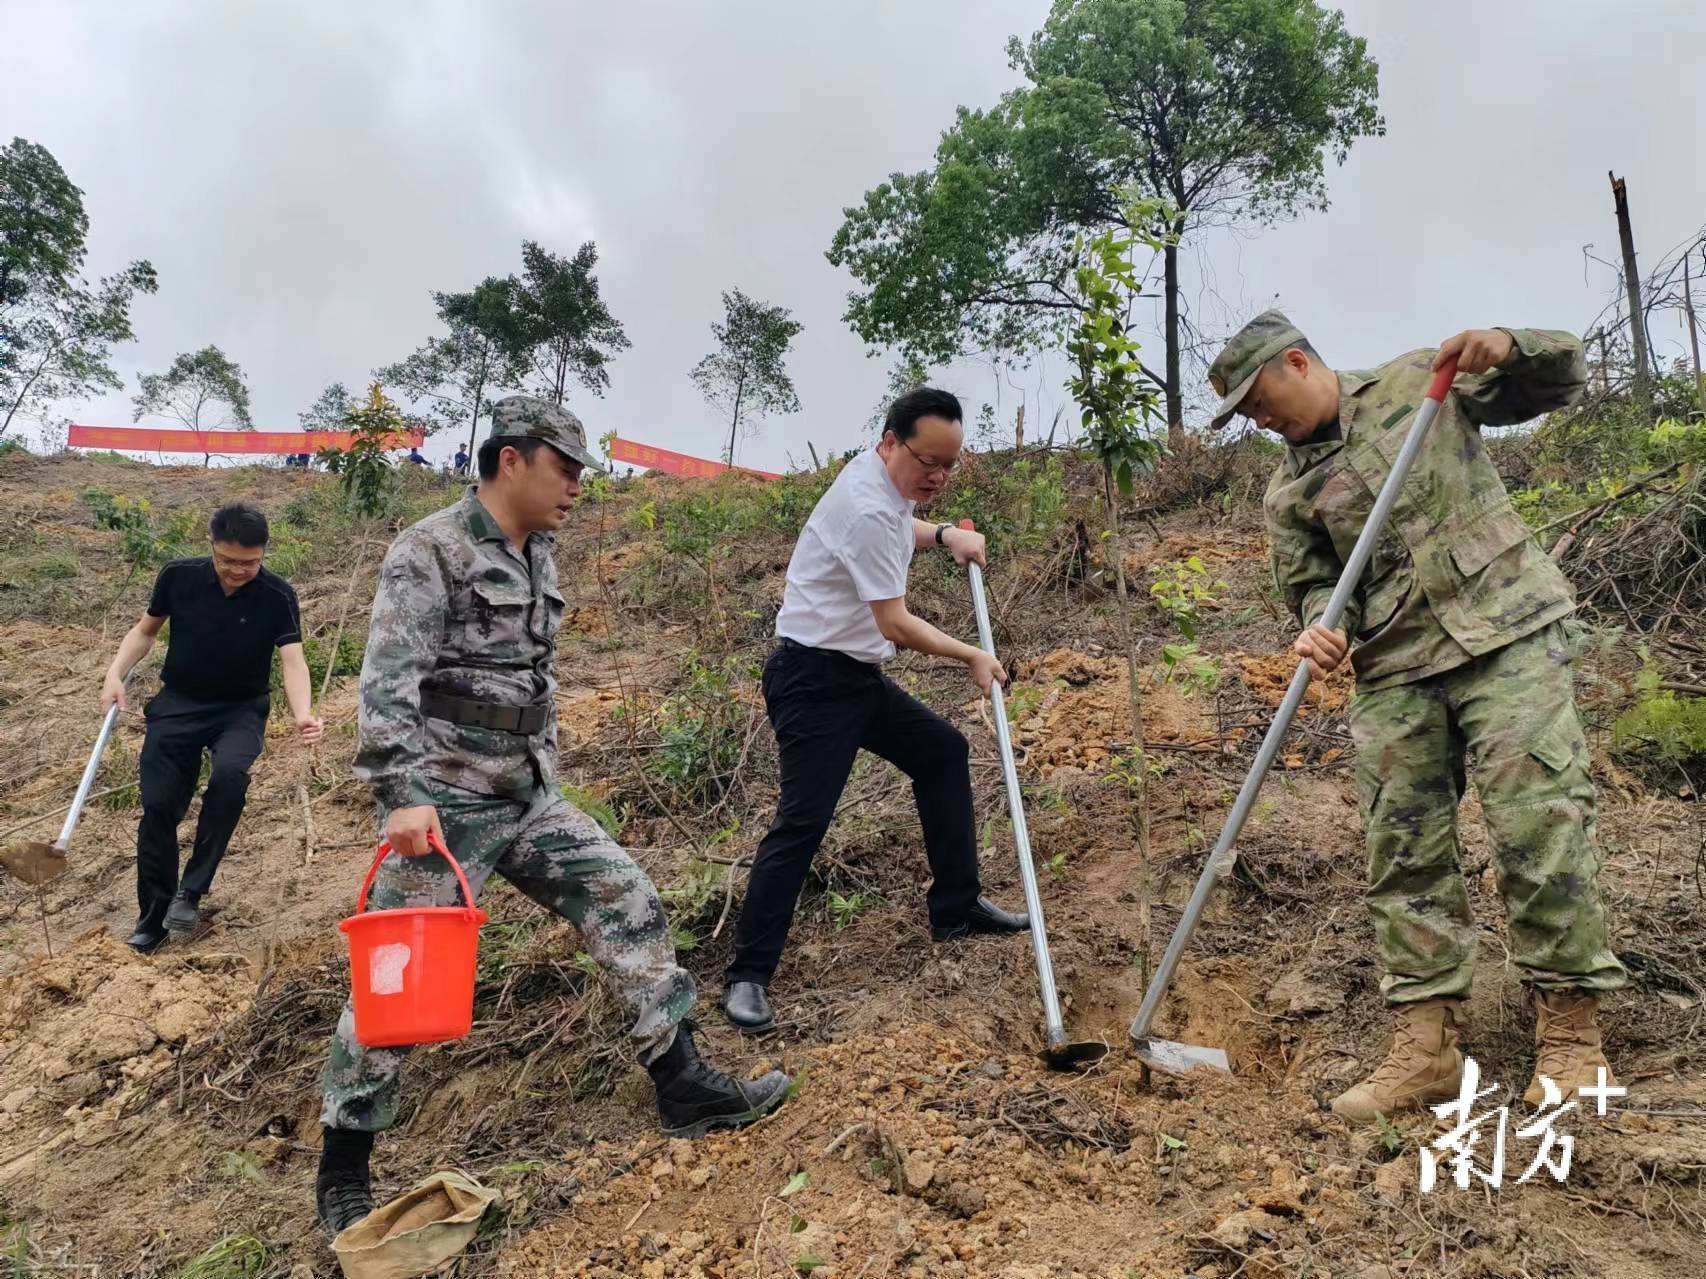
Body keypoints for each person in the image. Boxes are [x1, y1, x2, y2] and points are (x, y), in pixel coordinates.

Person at [314, 396, 791, 1235]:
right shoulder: (430, 548)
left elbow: (534, 676)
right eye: (564, 467)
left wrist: (546, 762)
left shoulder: (541, 552)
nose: (576, 485)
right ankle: (344, 1165)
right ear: (511, 460)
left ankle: (681, 1082)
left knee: (626, 896)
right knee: (395, 982)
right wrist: (401, 794)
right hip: (446, 802)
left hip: (528, 794)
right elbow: (387, 678)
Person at [1208, 311, 1627, 1120]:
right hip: (1397, 666)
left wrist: (1512, 345)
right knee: (1402, 849)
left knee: (1538, 822)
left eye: (1259, 401)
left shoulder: (1419, 385)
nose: (1258, 422)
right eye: (1246, 416)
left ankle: (1574, 1037)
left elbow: (1558, 378)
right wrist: (1316, 625)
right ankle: (1429, 1046)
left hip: (1506, 632)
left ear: (1297, 361)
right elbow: (1308, 587)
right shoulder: (1287, 490)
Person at [720, 387, 1030, 1034]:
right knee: (803, 820)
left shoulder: (881, 484)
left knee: (942, 752)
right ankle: (748, 975)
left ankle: (956, 906)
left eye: (950, 464)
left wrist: (943, 533)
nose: (938, 476)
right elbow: (895, 623)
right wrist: (971, 654)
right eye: (928, 462)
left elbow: (901, 523)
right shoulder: (863, 504)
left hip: (855, 676)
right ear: (890, 441)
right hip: (812, 679)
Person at [101, 502, 323, 952]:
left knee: (229, 779)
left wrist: (303, 711)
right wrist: (114, 673)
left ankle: (191, 891)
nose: (238, 570)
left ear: (263, 553)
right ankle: (153, 916)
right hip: (178, 704)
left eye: (249, 562)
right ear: (212, 547)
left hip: (240, 710)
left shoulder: (277, 595)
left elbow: (293, 661)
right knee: (159, 808)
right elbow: (146, 632)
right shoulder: (178, 576)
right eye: (227, 560)